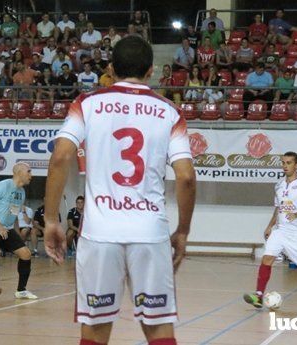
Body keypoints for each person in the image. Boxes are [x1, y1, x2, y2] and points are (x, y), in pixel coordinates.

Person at [43, 35, 196, 345]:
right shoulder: (169, 111)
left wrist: (49, 220)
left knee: (95, 332)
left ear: (110, 69)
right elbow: (186, 177)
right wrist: (182, 231)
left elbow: (60, 157)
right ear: (151, 71)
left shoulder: (86, 103)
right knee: (159, 330)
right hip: (149, 233)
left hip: (100, 234)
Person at [243, 152, 297, 310]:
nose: (285, 165)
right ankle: (258, 296)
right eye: (283, 162)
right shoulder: (278, 185)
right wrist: (270, 225)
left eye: (289, 163)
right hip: (280, 231)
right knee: (266, 259)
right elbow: (278, 209)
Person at [0, 163, 38, 302]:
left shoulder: (21, 192)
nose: (31, 175)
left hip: (7, 227)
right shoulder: (3, 186)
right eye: (29, 171)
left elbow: (14, 213)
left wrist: (17, 236)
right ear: (18, 172)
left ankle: (21, 291)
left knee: (25, 254)